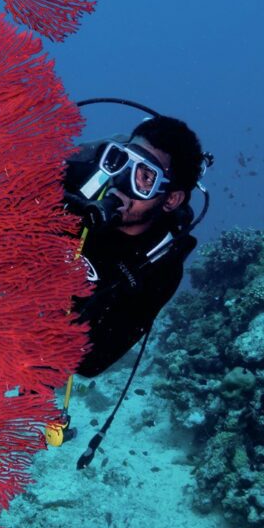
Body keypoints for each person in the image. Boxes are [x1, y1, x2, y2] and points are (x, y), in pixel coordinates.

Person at [63, 115, 205, 378]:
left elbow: (90, 363)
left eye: (145, 177)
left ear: (171, 199)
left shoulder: (158, 270)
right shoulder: (79, 182)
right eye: (122, 161)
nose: (121, 181)